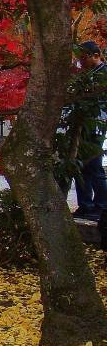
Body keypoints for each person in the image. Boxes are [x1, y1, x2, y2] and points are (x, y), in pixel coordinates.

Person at [62, 40, 107, 220]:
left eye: (84, 57)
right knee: (80, 167)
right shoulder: (85, 74)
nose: (81, 61)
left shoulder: (103, 73)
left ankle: (102, 205)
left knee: (94, 167)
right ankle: (85, 205)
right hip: (80, 123)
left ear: (95, 55)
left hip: (96, 124)